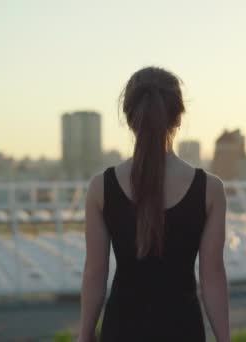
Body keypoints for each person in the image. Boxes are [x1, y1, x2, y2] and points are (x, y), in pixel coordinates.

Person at [77, 66, 230, 342]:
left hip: (121, 330)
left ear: (129, 118)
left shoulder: (101, 187)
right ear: (179, 117)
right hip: (183, 330)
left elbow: (94, 274)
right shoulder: (210, 189)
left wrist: (84, 335)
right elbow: (213, 276)